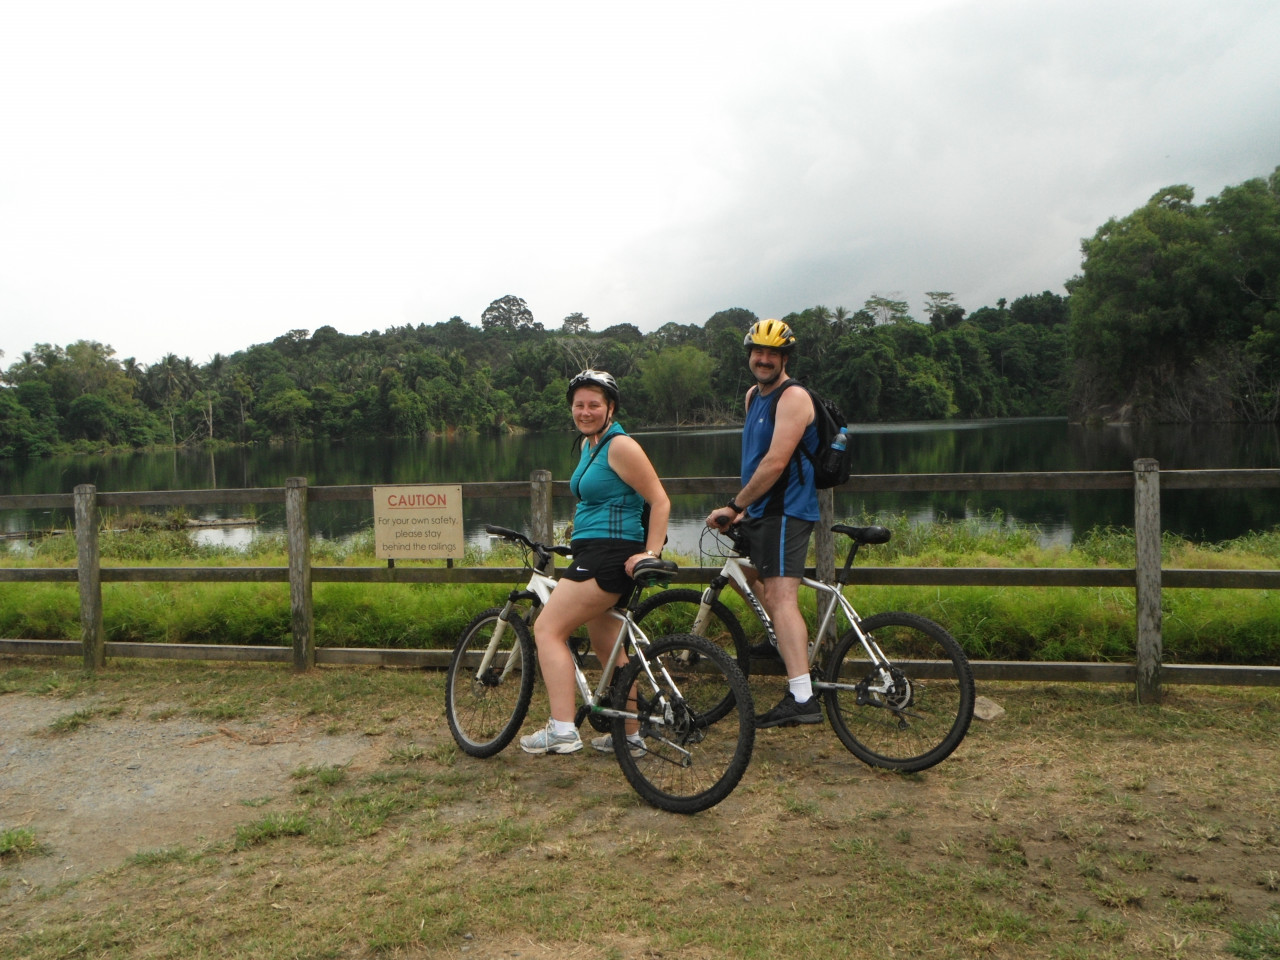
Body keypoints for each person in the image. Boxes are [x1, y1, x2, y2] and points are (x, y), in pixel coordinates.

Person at [519, 369, 671, 756]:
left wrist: (650, 554)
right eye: (579, 405)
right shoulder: (591, 445)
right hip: (596, 551)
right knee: (607, 645)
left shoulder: (620, 446)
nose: (585, 411)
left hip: (609, 554)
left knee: (547, 629)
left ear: (611, 408)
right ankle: (632, 735)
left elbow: (660, 500)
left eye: (594, 405)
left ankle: (563, 729)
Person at [705, 318, 822, 728]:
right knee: (755, 583)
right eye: (759, 351)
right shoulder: (754, 396)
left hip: (787, 511)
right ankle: (788, 648)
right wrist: (743, 510)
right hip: (760, 512)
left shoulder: (794, 398)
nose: (765, 358)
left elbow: (775, 463)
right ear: (749, 355)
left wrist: (734, 504)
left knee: (783, 598)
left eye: (773, 353)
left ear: (785, 358)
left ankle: (803, 697)